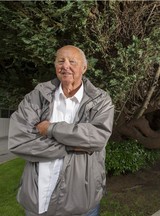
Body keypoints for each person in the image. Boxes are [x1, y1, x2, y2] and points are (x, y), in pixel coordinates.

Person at [8, 45, 114, 216]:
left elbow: (97, 138)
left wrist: (51, 128)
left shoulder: (100, 100)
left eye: (72, 61)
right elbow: (18, 140)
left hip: (81, 200)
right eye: (60, 61)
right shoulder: (38, 96)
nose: (65, 66)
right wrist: (69, 146)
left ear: (84, 68)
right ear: (55, 66)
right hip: (38, 199)